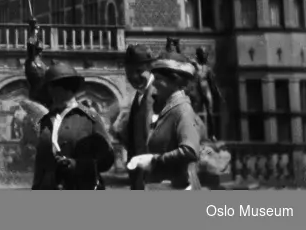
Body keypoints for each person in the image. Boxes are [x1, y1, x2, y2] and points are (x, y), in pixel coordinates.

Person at [31, 62, 114, 190]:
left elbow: (107, 159)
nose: (50, 91)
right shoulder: (46, 121)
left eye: (53, 86)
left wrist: (77, 165)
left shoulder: (89, 118)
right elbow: (40, 163)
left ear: (67, 87)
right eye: (49, 87)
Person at [127, 54, 201, 190]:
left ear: (174, 81)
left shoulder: (182, 110)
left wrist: (154, 160)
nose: (154, 83)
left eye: (159, 79)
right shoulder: (167, 108)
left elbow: (190, 151)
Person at [120, 44, 155, 190]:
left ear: (150, 68)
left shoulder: (159, 94)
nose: (134, 77)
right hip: (140, 178)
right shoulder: (139, 95)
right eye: (129, 73)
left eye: (139, 71)